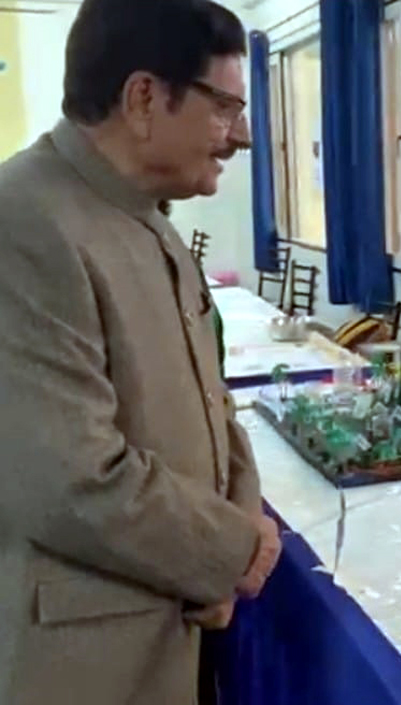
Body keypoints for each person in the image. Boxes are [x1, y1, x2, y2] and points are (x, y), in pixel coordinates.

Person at [0, 1, 281, 703]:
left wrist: (244, 519)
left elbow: (214, 404)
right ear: (145, 98)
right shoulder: (26, 222)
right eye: (225, 107)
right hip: (92, 662)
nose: (239, 136)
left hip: (174, 632)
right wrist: (230, 551)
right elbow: (70, 477)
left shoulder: (148, 220)